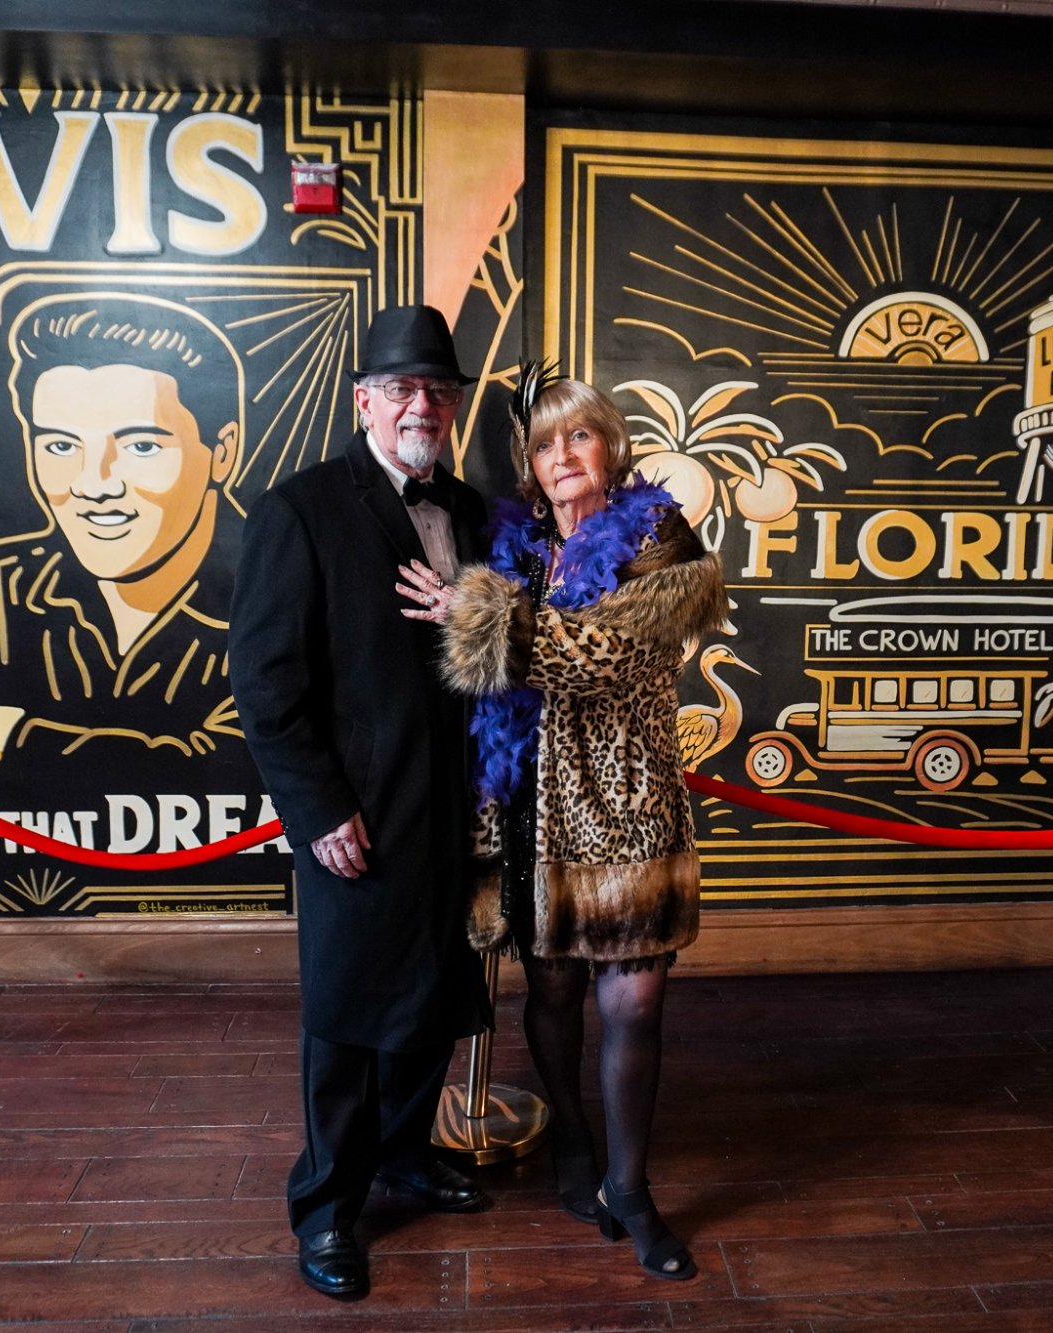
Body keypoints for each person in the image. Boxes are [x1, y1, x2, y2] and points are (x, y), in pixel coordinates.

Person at [399, 372, 726, 1281]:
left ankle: (632, 1186)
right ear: (530, 465)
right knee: (549, 992)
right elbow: (492, 678)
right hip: (530, 800)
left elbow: (614, 658)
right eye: (546, 445)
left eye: (580, 437)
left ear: (608, 445)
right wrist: (485, 609)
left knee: (636, 998)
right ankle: (573, 1138)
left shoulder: (658, 536)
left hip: (624, 798)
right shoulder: (517, 542)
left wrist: (481, 615)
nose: (564, 457)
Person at [230, 305, 492, 1302]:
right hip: (356, 816)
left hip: (454, 810)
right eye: (400, 389)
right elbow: (264, 683)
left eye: (435, 389)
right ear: (363, 402)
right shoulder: (301, 510)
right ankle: (329, 1207)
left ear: (452, 405)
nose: (418, 404)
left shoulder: (470, 510)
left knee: (431, 996)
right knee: (343, 1017)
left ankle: (405, 1155)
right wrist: (318, 809)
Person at [0, 292, 243, 785]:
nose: (93, 483)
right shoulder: (5, 583)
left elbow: (238, 767)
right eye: (61, 446)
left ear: (222, 452)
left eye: (140, 446)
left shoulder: (282, 592)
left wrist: (8, 739)